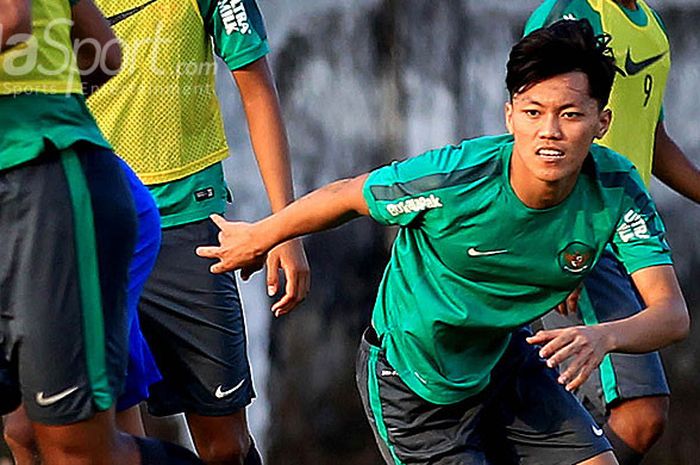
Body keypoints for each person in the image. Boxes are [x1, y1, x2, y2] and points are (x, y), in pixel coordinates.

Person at [196, 20, 690, 465]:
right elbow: (347, 196)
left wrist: (604, 336)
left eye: (570, 115)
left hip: (502, 362)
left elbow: (671, 314)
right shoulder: (455, 180)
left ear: (601, 123)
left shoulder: (616, 186)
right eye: (534, 111)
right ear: (509, 116)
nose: (550, 132)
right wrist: (261, 235)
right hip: (413, 383)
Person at [85, 0, 310, 462]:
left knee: (225, 446)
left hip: (186, 224)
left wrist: (284, 228)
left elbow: (257, 89)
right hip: (91, 226)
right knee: (108, 442)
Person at [0, 0, 203, 463]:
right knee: (26, 433)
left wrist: (49, 111)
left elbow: (11, 20)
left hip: (42, 181)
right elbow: (103, 54)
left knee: (74, 449)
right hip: (49, 186)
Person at [524, 3, 700, 463]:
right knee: (638, 415)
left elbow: (652, 137)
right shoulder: (572, 13)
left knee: (619, 418)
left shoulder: (653, 27)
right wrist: (559, 239)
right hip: (581, 238)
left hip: (629, 238)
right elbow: (538, 127)